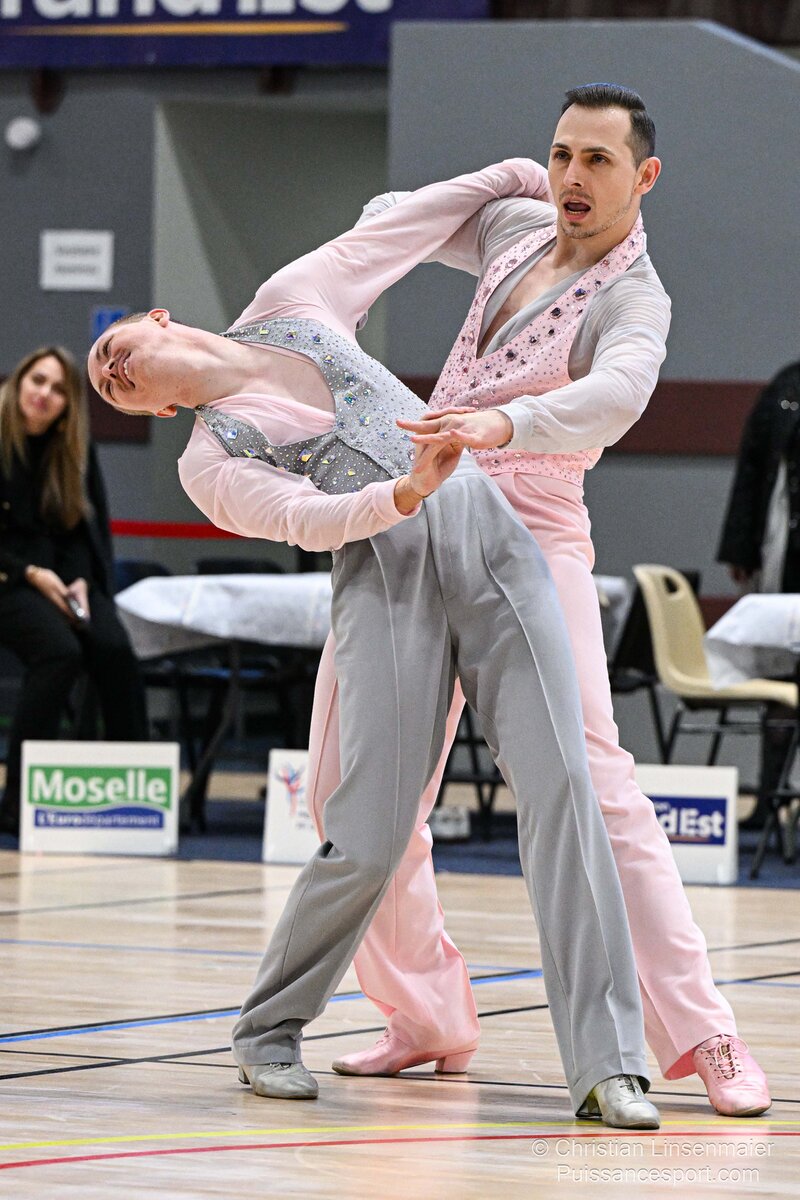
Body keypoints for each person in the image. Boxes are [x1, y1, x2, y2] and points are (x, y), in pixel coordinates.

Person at [89, 158, 661, 1129]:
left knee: (562, 789)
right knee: (368, 830)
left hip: (487, 536)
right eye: (113, 391)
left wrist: (533, 179)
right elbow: (304, 521)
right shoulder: (210, 460)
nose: (113, 373)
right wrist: (400, 494)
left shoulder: (289, 300)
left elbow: (405, 227)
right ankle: (268, 1030)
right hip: (384, 571)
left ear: (156, 318)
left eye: (113, 351)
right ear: (154, 412)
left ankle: (609, 1067)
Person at [313, 84, 771, 1119]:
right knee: (347, 785)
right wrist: (499, 180)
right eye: (559, 154)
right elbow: (388, 217)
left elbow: (616, 394)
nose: (571, 176)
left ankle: (701, 1033)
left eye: (596, 160)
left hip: (533, 523)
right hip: (424, 508)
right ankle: (425, 1012)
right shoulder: (515, 225)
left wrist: (505, 424)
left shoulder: (635, 297)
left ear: (644, 176)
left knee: (596, 785)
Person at [0, 346, 148, 837]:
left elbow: (81, 532)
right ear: (19, 382)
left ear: (69, 406)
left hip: (61, 576)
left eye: (59, 389)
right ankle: (18, 800)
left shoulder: (73, 451)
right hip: (9, 577)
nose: (45, 394)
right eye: (37, 381)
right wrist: (29, 574)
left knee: (113, 647)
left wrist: (80, 579)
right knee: (59, 652)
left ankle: (136, 789)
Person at [717, 359, 800, 827]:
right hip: (784, 553)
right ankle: (770, 796)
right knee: (781, 676)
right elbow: (753, 468)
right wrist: (741, 547)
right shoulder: (788, 383)